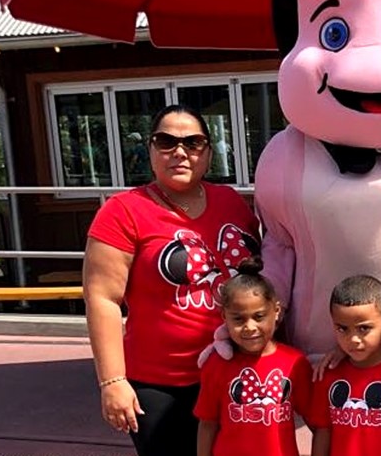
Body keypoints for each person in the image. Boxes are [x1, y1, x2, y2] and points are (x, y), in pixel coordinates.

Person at [83, 104, 260, 456]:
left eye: (193, 143)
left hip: (233, 372)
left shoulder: (232, 202)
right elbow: (102, 298)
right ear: (150, 150)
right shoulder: (123, 210)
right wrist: (113, 381)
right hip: (161, 384)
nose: (180, 151)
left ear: (208, 153)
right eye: (166, 141)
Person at [194, 257, 312, 456]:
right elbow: (207, 424)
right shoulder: (216, 364)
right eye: (238, 319)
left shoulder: (295, 363)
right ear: (224, 316)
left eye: (259, 316)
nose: (249, 327)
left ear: (275, 311)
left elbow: (317, 421)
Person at [308, 275, 381, 456]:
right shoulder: (327, 375)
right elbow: (322, 433)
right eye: (342, 328)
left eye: (364, 328)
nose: (353, 339)